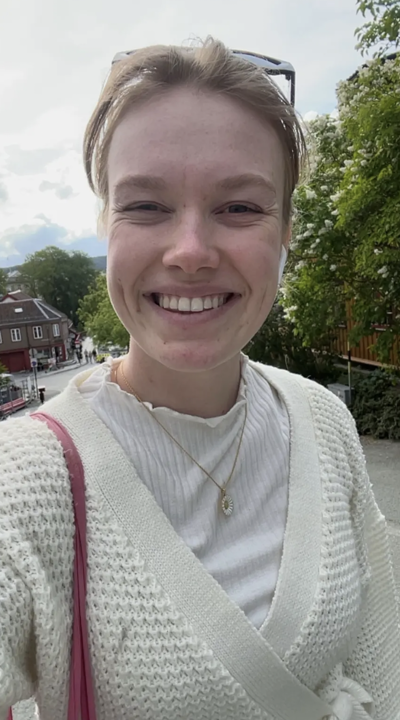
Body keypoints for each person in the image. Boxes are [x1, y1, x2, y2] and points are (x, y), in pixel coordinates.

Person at [1, 39, 399, 720]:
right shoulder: (27, 482)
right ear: (105, 225)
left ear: (286, 231)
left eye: (239, 207)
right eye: (146, 206)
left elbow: (377, 661)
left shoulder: (322, 420)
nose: (190, 252)